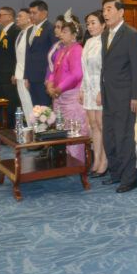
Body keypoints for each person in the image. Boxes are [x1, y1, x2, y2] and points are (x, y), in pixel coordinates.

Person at [100, 0, 137, 192]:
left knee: (124, 137)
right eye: (104, 10)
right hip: (108, 94)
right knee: (109, 136)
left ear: (121, 12)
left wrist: (136, 96)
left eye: (109, 9)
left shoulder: (131, 35)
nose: (105, 13)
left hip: (125, 96)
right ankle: (116, 173)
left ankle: (129, 179)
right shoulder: (105, 34)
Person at [45, 14, 87, 163]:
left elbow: (76, 74)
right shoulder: (62, 50)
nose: (61, 34)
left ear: (74, 35)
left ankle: (76, 163)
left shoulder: (77, 50)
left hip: (71, 98)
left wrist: (59, 88)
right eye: (61, 31)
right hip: (59, 97)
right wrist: (50, 85)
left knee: (74, 132)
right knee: (62, 130)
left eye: (65, 32)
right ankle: (65, 161)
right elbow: (53, 71)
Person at [80, 10, 106, 178]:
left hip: (101, 87)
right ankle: (96, 160)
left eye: (93, 23)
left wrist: (102, 91)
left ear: (103, 24)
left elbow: (107, 69)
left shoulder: (106, 41)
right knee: (93, 125)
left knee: (102, 125)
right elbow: (84, 69)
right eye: (88, 23)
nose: (89, 26)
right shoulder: (88, 42)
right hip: (89, 87)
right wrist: (82, 89)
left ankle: (105, 161)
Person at [24, 0, 56, 108]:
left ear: (44, 13)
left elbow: (54, 54)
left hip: (44, 77)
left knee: (45, 108)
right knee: (36, 108)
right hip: (32, 77)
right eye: (30, 13)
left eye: (34, 13)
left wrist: (51, 77)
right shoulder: (30, 30)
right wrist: (26, 76)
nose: (31, 15)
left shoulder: (50, 28)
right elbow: (28, 54)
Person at [0, 7, 20, 124]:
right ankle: (4, 125)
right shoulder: (2, 31)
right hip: (1, 72)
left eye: (1, 15)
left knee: (11, 103)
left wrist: (15, 72)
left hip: (10, 72)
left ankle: (12, 126)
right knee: (3, 102)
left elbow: (16, 54)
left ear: (10, 16)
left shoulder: (15, 31)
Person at [13, 8, 33, 122]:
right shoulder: (21, 33)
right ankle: (30, 127)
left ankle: (34, 127)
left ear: (29, 18)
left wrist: (28, 75)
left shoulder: (32, 33)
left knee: (30, 103)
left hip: (27, 75)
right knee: (25, 103)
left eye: (20, 16)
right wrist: (16, 74)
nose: (17, 18)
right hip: (20, 74)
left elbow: (31, 57)